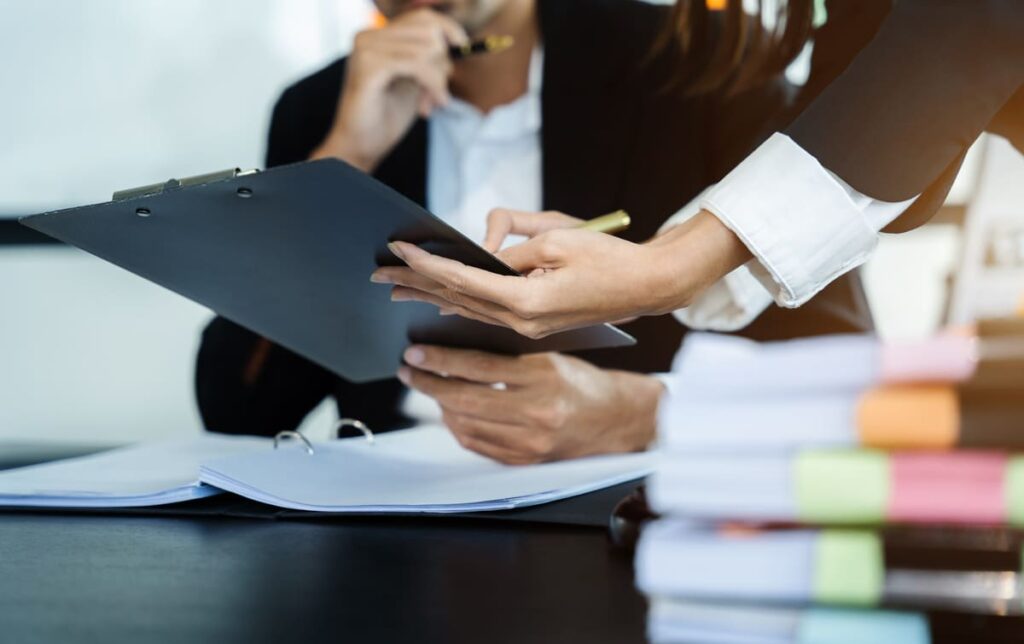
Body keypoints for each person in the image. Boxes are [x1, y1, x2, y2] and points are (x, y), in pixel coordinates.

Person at [195, 0, 873, 463]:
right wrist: (341, 162)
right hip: (389, 542)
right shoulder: (322, 108)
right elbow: (236, 407)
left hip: (630, 522)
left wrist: (645, 414)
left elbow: (842, 366)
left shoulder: (699, 64)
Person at [373, 0, 1024, 341]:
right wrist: (667, 257)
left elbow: (971, 29)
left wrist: (672, 267)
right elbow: (881, 145)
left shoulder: (683, 58)